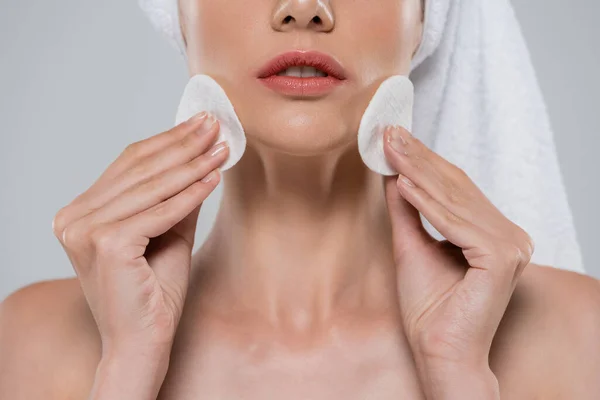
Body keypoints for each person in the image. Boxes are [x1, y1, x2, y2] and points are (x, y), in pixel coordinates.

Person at [1, 0, 599, 398]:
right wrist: (126, 371)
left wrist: (460, 375)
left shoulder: (580, 340)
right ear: (181, 14)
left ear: (425, 19)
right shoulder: (28, 348)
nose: (303, 9)